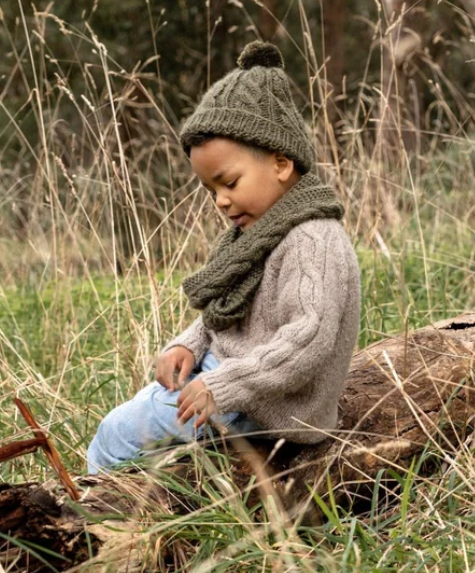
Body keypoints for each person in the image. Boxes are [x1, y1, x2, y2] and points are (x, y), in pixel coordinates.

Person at [86, 41, 361, 474]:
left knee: (117, 436)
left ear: (281, 163)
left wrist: (224, 384)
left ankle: (94, 512)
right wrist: (190, 343)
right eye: (211, 191)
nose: (221, 201)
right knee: (139, 413)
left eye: (229, 182)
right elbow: (239, 310)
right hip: (240, 382)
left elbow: (307, 340)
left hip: (272, 405)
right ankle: (108, 498)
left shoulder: (312, 240)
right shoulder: (264, 230)